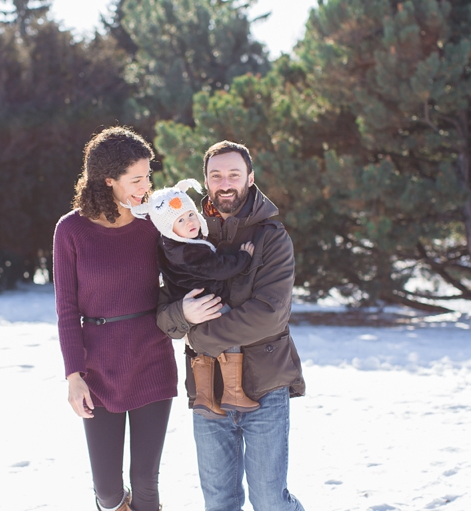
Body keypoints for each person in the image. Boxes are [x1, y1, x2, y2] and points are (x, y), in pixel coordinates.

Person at [156, 141, 306, 511]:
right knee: (219, 502)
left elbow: (269, 314)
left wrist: (198, 333)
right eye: (216, 175)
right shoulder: (183, 235)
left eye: (234, 174)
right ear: (205, 181)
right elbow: (162, 314)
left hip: (266, 384)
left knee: (270, 500)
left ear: (250, 178)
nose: (225, 183)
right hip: (207, 390)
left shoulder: (271, 237)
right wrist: (183, 316)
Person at [53, 127, 177, 511]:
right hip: (98, 367)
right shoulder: (70, 230)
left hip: (151, 357)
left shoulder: (153, 222)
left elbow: (187, 267)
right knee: (108, 492)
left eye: (148, 176)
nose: (146, 186)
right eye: (136, 179)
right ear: (108, 180)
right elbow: (66, 310)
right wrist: (74, 376)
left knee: (146, 485)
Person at [129, 178, 260, 418]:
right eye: (180, 220)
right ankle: (232, 392)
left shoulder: (173, 245)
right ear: (168, 228)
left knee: (203, 351)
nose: (189, 222)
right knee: (230, 331)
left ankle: (204, 397)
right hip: (208, 304)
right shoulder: (189, 251)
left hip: (194, 307)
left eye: (190, 214)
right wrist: (243, 259)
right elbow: (218, 268)